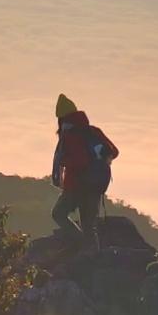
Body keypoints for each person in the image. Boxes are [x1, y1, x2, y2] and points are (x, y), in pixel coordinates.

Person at [50, 94, 119, 253]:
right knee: (89, 225)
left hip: (76, 186)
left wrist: (64, 162)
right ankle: (93, 256)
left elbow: (81, 161)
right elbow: (114, 152)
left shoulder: (70, 135)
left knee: (58, 214)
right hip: (95, 185)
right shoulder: (93, 131)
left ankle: (80, 243)